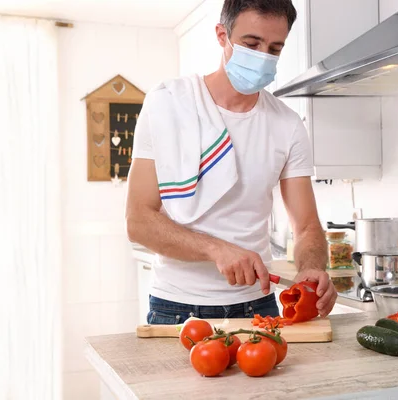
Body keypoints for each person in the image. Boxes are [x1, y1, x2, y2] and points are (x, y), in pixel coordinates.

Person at [126, 0, 337, 325]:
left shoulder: (288, 125)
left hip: (258, 306)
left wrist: (312, 267)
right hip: (175, 307)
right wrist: (216, 249)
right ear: (222, 35)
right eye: (252, 44)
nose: (264, 57)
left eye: (275, 48)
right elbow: (138, 221)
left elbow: (307, 226)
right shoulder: (167, 103)